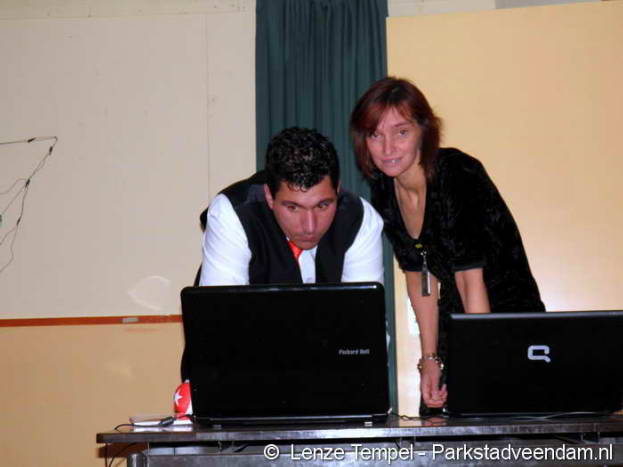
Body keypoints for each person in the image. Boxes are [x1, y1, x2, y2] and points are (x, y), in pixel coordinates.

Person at [350, 77, 545, 415]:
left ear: (424, 131)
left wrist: (476, 366)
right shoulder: (384, 190)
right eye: (375, 135)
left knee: (491, 418)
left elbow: (470, 279)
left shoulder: (456, 172)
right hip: (457, 319)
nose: (388, 148)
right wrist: (430, 359)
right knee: (437, 415)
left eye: (401, 132)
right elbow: (418, 277)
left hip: (506, 322)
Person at [198, 126, 384, 286]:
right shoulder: (233, 215)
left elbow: (364, 314)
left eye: (322, 205)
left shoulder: (360, 219)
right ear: (269, 196)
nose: (309, 226)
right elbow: (220, 315)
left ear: (337, 190)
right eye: (293, 208)